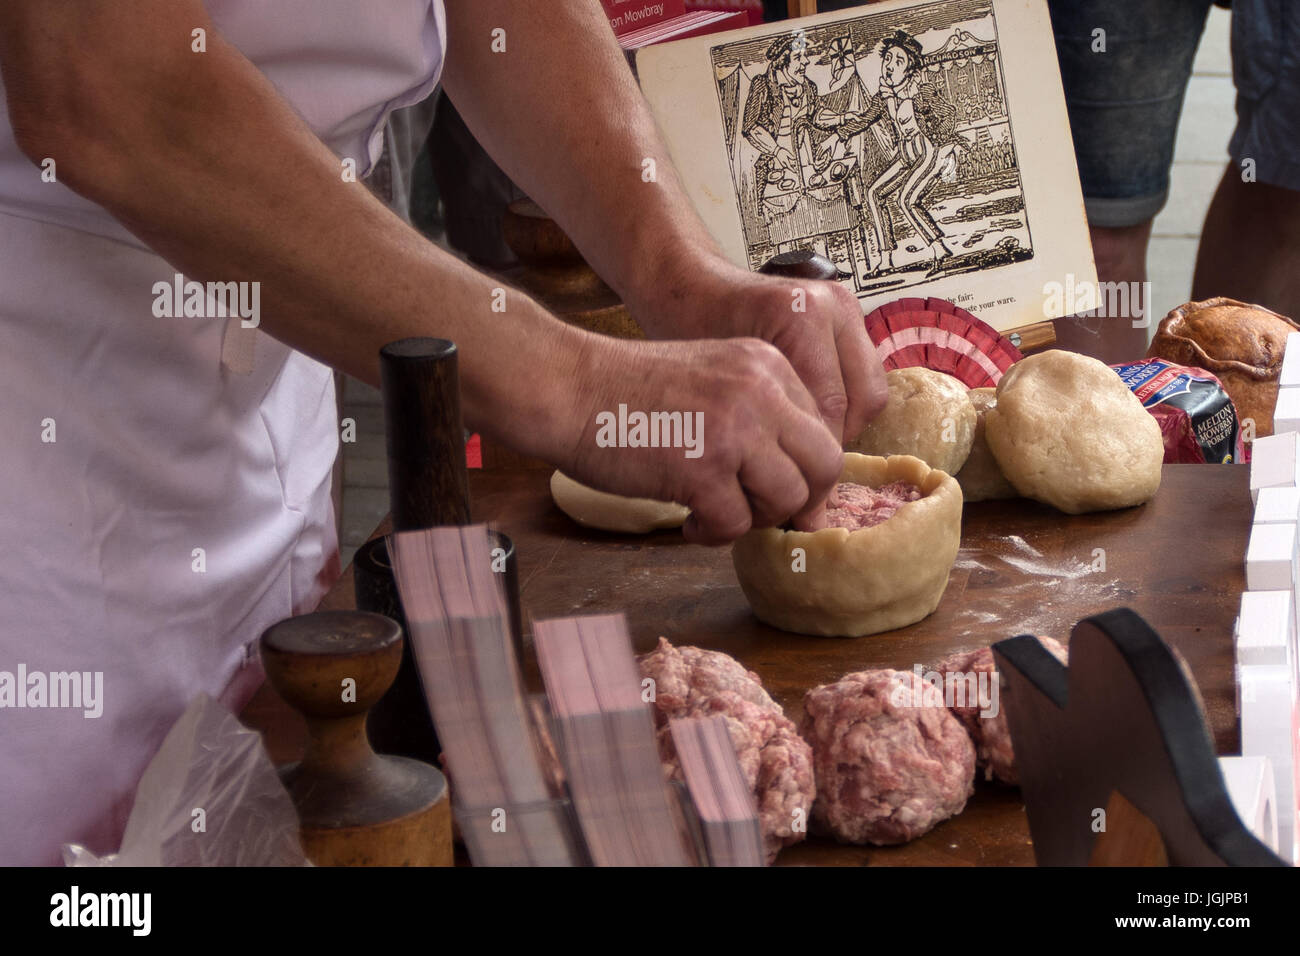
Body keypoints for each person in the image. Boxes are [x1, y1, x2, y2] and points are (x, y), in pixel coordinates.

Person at [0, 1, 886, 864]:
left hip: (287, 326)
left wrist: (681, 279)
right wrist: (579, 386)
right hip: (44, 462)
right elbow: (104, 83)